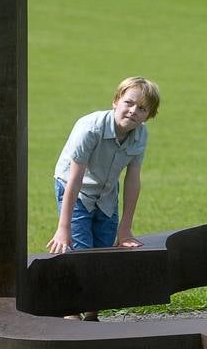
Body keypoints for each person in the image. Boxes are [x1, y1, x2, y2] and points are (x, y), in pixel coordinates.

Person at [46, 77, 161, 317]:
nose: (133, 111)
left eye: (142, 108)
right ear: (115, 101)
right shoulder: (91, 128)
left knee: (104, 252)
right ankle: (70, 313)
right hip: (75, 189)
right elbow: (75, 179)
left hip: (107, 193)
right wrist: (63, 228)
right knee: (80, 252)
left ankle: (92, 314)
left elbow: (132, 180)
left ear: (149, 115)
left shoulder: (140, 136)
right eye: (129, 102)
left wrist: (126, 228)